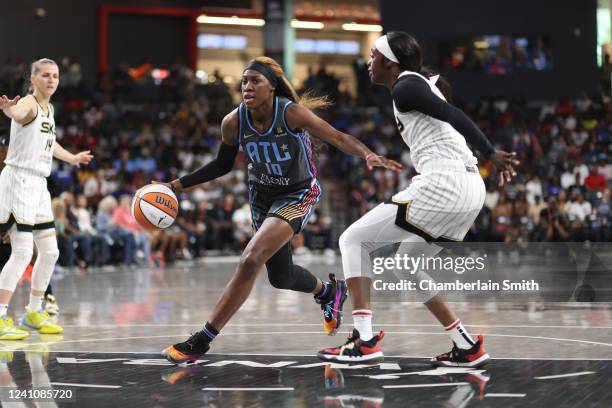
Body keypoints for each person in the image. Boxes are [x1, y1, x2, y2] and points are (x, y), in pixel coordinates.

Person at [161, 56, 401, 364]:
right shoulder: (233, 121)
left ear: (272, 87)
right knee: (281, 277)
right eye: (244, 81)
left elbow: (338, 137)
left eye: (255, 81)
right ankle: (329, 292)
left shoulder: (291, 113)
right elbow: (222, 165)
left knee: (250, 260)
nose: (247, 87)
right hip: (261, 197)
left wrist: (368, 154)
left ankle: (202, 339)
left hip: (298, 192)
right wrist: (176, 185)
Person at [318, 32, 518, 367]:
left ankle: (364, 339)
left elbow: (451, 113)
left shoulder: (405, 86)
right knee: (405, 263)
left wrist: (490, 153)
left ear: (388, 61)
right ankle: (466, 345)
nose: (368, 62)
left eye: (373, 55)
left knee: (353, 240)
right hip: (469, 190)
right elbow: (442, 94)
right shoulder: (417, 84)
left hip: (445, 183)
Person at [0, 58, 93, 339]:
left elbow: (50, 144)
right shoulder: (28, 102)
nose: (51, 80)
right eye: (45, 76)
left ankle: (34, 312)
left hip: (39, 185)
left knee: (50, 252)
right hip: (19, 180)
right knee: (22, 252)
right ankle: (1, 316)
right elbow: (17, 113)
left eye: (55, 76)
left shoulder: (49, 109)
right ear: (33, 78)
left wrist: (73, 157)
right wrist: (8, 109)